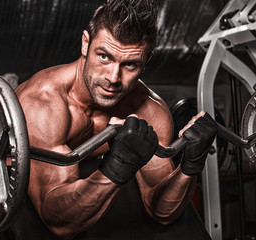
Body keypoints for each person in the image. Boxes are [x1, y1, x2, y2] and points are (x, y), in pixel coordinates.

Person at [15, 0, 217, 239]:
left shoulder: (150, 110)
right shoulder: (44, 104)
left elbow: (162, 212)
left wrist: (190, 166)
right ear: (85, 44)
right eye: (104, 57)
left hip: (101, 196)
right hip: (34, 202)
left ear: (147, 61)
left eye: (130, 64)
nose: (113, 78)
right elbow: (59, 223)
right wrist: (117, 167)